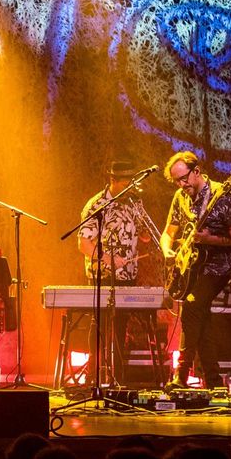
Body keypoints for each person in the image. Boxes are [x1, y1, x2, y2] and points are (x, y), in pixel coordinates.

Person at [160, 150, 231, 388]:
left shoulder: (222, 195)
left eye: (184, 178)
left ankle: (181, 375)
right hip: (193, 268)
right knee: (202, 318)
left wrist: (210, 240)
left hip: (218, 268)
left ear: (196, 171)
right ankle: (214, 380)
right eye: (177, 180)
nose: (181, 184)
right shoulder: (180, 197)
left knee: (193, 309)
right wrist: (168, 250)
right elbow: (169, 232)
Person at [75, 160, 162, 382]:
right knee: (100, 326)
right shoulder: (97, 205)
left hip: (128, 275)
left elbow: (142, 233)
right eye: (126, 183)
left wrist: (144, 236)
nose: (130, 187)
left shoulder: (134, 202)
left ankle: (117, 376)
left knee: (121, 326)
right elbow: (84, 245)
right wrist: (109, 258)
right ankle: (96, 375)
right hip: (101, 275)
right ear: (113, 180)